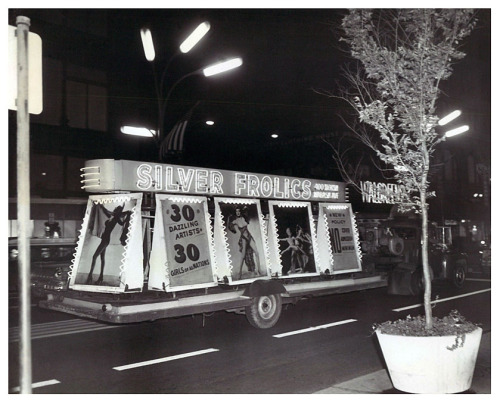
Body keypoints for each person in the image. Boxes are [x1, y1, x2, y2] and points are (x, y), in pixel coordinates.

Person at [86, 204, 130, 285]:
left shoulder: (116, 217)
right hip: (104, 239)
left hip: (105, 240)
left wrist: (127, 215)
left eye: (116, 209)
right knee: (102, 258)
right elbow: (107, 212)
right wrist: (102, 207)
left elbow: (121, 222)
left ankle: (90, 275)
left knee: (94, 256)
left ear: (117, 211)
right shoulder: (112, 217)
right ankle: (101, 277)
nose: (115, 209)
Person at [227, 206, 261, 279]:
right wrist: (228, 218)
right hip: (243, 238)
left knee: (257, 253)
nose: (238, 212)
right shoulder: (235, 221)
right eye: (236, 211)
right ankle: (239, 273)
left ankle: (259, 270)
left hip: (249, 236)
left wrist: (246, 208)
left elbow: (247, 211)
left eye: (239, 211)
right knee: (243, 256)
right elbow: (229, 226)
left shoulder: (244, 218)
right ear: (235, 212)